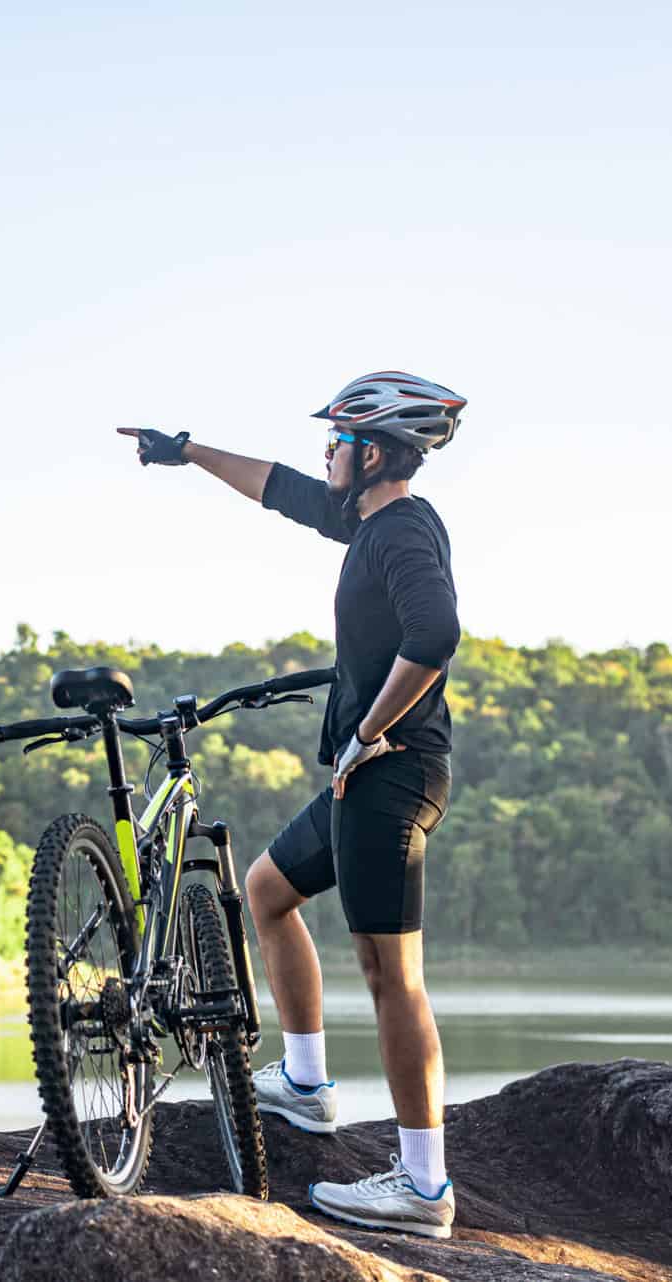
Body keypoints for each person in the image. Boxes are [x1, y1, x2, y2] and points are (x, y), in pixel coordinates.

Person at [116, 370, 464, 1239]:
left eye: (338, 441)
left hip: (389, 775)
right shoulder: (367, 522)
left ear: (373, 451)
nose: (327, 453)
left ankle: (425, 1189)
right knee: (266, 893)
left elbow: (436, 634)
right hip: (363, 779)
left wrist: (371, 729)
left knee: (392, 978)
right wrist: (187, 451)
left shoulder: (403, 532)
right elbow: (280, 488)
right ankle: (306, 1085)